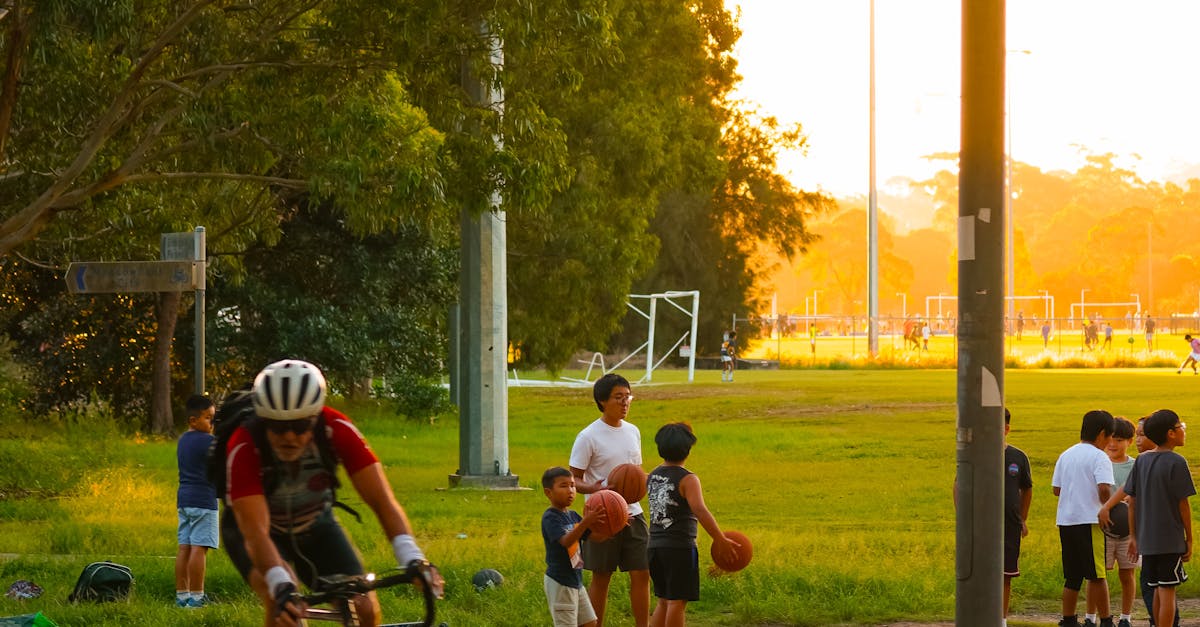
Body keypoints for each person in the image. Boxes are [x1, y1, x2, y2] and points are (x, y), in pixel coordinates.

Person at [221, 359, 443, 627]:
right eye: (278, 427)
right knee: (282, 605)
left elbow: (382, 501)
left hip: (315, 522)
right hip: (256, 533)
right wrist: (281, 586)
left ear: (315, 418)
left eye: (301, 426)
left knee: (364, 608)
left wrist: (412, 557)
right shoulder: (244, 445)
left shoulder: (336, 428)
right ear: (263, 420)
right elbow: (255, 533)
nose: (289, 436)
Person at [570, 373, 649, 627]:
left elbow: (635, 473)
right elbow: (574, 480)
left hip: (633, 513)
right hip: (603, 515)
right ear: (602, 401)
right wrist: (593, 487)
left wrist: (640, 485)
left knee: (642, 572)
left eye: (628, 397)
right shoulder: (588, 436)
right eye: (619, 397)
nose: (625, 402)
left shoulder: (633, 431)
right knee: (601, 577)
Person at [646, 423, 739, 627]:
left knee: (664, 600)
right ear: (688, 450)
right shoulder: (688, 479)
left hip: (654, 547)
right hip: (678, 548)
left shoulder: (653, 475)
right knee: (677, 602)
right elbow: (700, 509)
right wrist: (719, 538)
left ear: (659, 447)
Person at [1125, 409, 1195, 627]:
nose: (1183, 430)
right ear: (1170, 434)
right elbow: (1183, 505)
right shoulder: (1177, 462)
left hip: (1147, 540)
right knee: (1167, 592)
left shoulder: (1142, 460)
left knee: (1156, 588)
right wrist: (1189, 538)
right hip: (1169, 541)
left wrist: (1134, 536)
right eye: (1179, 426)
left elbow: (1132, 502)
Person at [1051, 409, 1116, 627]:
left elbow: (1056, 489)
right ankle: (1106, 620)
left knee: (1072, 576)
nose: (1109, 442)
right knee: (1097, 575)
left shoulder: (1066, 454)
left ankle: (1068, 619)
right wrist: (1110, 506)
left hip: (1066, 520)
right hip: (1091, 521)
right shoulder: (1100, 457)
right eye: (1109, 437)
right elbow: (1104, 488)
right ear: (1102, 434)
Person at [542, 466, 604, 627]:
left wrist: (617, 524)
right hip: (560, 582)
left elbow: (597, 537)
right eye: (563, 486)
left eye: (572, 485)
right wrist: (585, 522)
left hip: (576, 580)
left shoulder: (573, 515)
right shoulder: (550, 518)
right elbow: (566, 541)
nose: (570, 490)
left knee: (590, 622)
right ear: (548, 492)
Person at [175, 394, 217, 609]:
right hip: (203, 501)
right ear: (193, 420)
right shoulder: (209, 442)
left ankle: (182, 596)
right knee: (199, 548)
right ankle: (197, 597)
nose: (212, 424)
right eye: (209, 419)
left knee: (185, 547)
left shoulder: (183, 440)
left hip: (184, 499)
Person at [1101, 417, 1137, 627]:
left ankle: (1126, 617)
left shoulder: (1135, 465)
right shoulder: (1100, 462)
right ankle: (1095, 616)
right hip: (1102, 529)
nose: (1113, 444)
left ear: (1130, 442)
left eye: (1120, 439)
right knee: (1098, 575)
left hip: (1128, 530)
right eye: (1111, 438)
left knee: (1127, 573)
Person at [1002, 408, 1033, 627]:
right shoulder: (975, 454)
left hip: (1009, 525)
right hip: (980, 525)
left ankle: (1001, 619)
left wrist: (1022, 519)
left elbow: (1027, 489)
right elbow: (959, 485)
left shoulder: (1018, 457)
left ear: (1006, 429)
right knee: (981, 572)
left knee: (1006, 574)